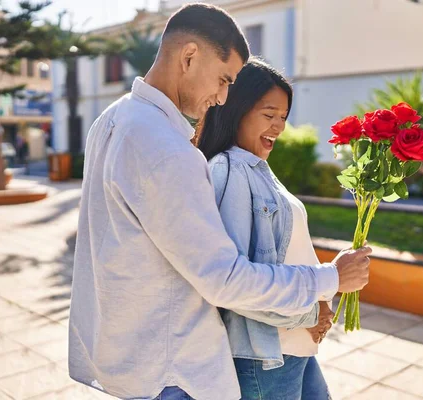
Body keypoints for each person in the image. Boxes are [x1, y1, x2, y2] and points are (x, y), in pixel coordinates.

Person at [68, 4, 371, 400]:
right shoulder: (165, 147)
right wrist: (329, 281)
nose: (224, 95)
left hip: (131, 355)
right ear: (189, 56)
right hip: (171, 370)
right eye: (224, 79)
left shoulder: (112, 118)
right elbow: (227, 280)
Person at [197, 59, 333, 400]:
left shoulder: (257, 168)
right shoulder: (228, 170)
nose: (279, 126)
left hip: (293, 345)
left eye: (284, 117)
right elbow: (234, 282)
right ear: (237, 110)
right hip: (266, 354)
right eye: (269, 114)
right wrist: (312, 312)